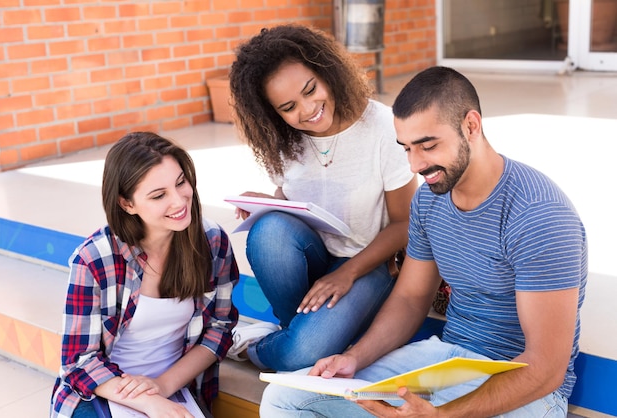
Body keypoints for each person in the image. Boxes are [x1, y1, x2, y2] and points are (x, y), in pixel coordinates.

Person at [260, 66, 588, 417]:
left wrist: (444, 416)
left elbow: (545, 368)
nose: (416, 164)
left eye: (428, 146)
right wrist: (354, 357)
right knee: (284, 398)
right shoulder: (430, 199)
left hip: (523, 385)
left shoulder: (539, 215)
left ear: (471, 126)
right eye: (406, 149)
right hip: (447, 362)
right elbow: (410, 298)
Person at [226, 24, 417, 372]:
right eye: (288, 106)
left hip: (368, 264)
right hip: (313, 257)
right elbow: (292, 205)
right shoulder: (283, 140)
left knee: (297, 357)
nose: (308, 109)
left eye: (311, 89)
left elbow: (405, 223)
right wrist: (267, 202)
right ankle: (301, 329)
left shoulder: (382, 128)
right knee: (268, 230)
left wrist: (347, 274)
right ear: (273, 113)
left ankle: (256, 344)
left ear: (326, 71)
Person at [50, 132, 239, 418]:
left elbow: (219, 330)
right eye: (159, 195)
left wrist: (162, 387)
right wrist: (149, 403)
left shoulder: (211, 241)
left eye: (181, 183)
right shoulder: (94, 259)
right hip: (102, 390)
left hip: (174, 387)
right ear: (127, 203)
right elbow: (78, 361)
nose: (179, 201)